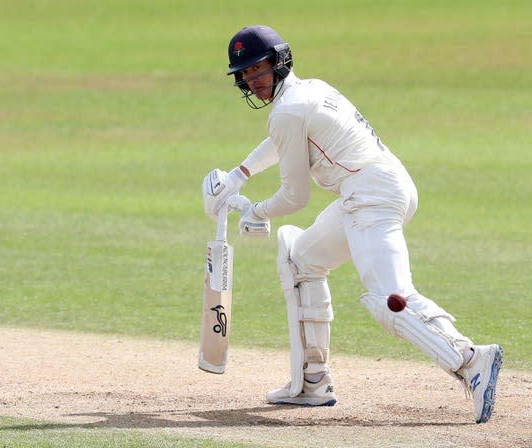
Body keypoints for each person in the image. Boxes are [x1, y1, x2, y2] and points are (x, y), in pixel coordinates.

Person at [202, 25, 503, 424]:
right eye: (245, 74)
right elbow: (285, 139)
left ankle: (470, 360)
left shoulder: (288, 110)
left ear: (278, 62)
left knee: (389, 300)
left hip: (370, 198)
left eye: (258, 69)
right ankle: (312, 382)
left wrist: (255, 210)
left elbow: (295, 197)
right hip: (378, 188)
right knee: (301, 259)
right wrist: (240, 173)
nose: (253, 81)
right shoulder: (308, 90)